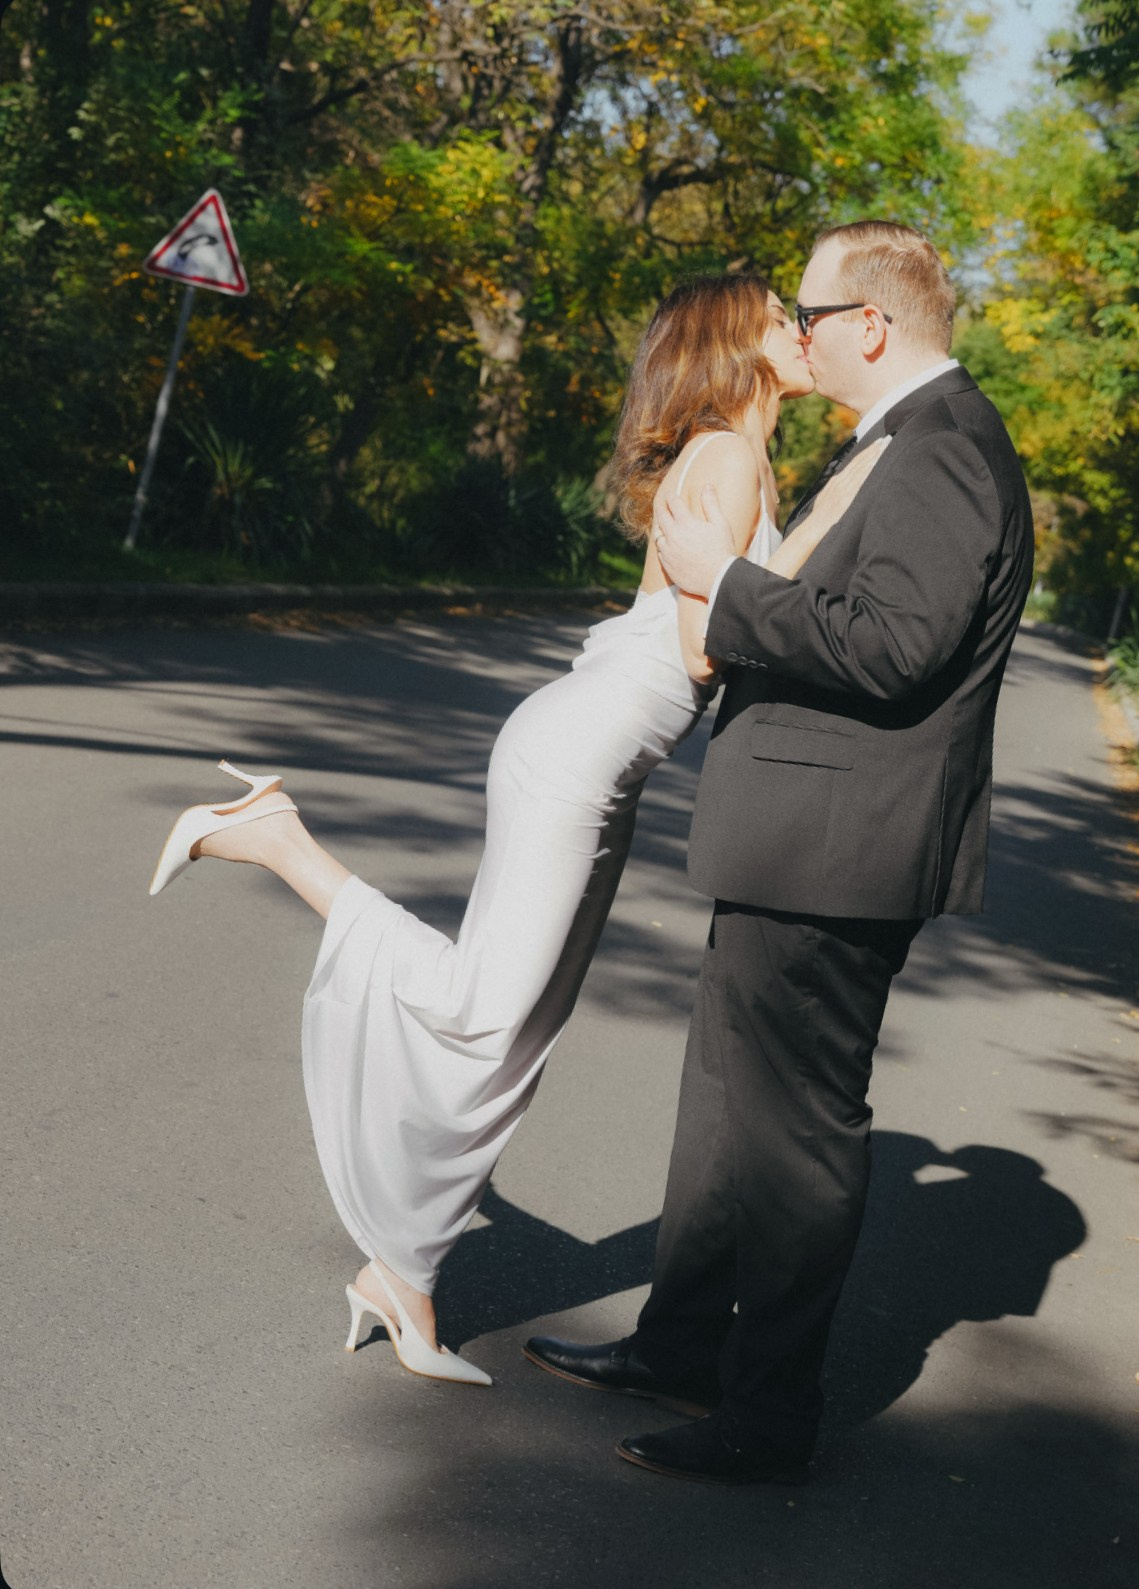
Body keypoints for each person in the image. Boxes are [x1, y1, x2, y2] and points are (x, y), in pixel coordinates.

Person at [147, 274, 884, 1388]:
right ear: (737, 340)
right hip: (573, 760)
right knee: (480, 1008)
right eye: (784, 314)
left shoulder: (743, 454)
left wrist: (800, 535)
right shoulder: (729, 456)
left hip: (601, 766)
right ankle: (274, 832)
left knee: (519, 1033)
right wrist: (808, 544)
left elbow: (720, 608)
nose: (801, 329)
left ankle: (405, 1275)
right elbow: (701, 651)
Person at [524, 220, 1035, 1482]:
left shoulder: (947, 449)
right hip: (794, 838)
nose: (796, 336)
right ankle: (681, 1342)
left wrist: (723, 582)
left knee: (795, 1134)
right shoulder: (899, 443)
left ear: (871, 322)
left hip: (841, 849)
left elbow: (894, 645)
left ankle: (769, 1414)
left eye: (809, 313)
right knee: (719, 1111)